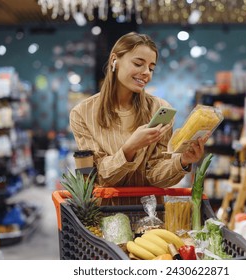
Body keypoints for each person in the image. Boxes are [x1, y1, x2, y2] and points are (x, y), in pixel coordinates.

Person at [70, 32, 209, 188]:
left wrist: (182, 161)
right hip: (104, 211)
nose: (146, 73)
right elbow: (99, 178)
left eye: (151, 68)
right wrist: (130, 148)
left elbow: (156, 177)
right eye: (138, 64)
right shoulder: (82, 113)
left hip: (150, 211)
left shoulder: (160, 110)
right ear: (114, 60)